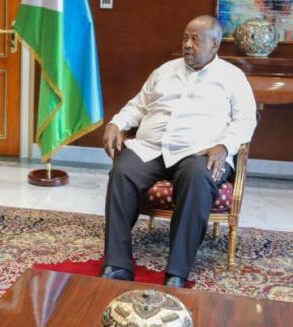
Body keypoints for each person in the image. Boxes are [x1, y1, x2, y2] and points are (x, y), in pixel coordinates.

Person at [100, 15, 257, 288]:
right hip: (152, 148)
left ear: (215, 44)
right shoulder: (164, 71)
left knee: (198, 178)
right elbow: (138, 105)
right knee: (122, 172)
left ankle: (177, 272)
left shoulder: (233, 77)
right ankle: (117, 264)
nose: (187, 45)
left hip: (199, 153)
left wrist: (224, 146)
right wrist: (117, 123)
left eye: (195, 40)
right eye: (185, 38)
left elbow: (246, 120)